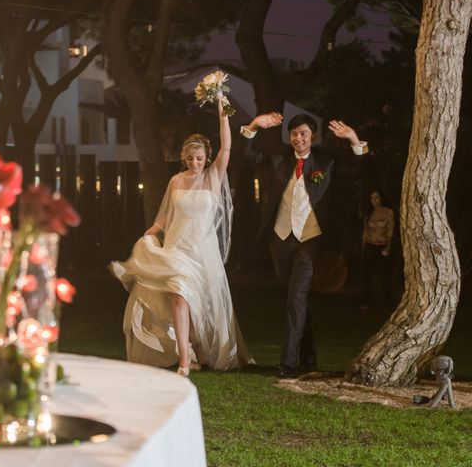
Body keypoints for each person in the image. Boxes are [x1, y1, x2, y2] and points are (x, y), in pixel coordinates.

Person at [111, 97, 279, 376]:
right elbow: (164, 216)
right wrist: (150, 234)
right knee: (179, 297)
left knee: (200, 305)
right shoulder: (176, 180)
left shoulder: (213, 177)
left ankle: (197, 347)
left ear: (207, 158)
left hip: (203, 251)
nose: (194, 163)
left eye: (199, 158)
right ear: (183, 158)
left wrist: (223, 110)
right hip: (177, 248)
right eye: (189, 158)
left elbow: (227, 146)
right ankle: (184, 361)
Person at [240, 113, 369, 378]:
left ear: (313, 137)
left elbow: (362, 170)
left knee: (296, 297)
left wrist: (353, 138)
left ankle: (288, 364)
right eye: (294, 134)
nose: (299, 139)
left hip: (310, 240)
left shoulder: (325, 162)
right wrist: (254, 126)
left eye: (304, 134)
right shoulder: (279, 160)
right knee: (295, 300)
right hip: (280, 240)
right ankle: (309, 358)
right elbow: (246, 155)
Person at [361, 190, 394, 312]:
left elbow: (390, 230)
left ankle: (387, 303)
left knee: (385, 275)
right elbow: (365, 233)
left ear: (381, 199)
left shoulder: (388, 212)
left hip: (382, 246)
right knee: (366, 275)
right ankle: (366, 302)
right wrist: (363, 248)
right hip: (370, 246)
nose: (374, 201)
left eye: (376, 198)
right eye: (371, 198)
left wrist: (388, 247)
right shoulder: (369, 213)